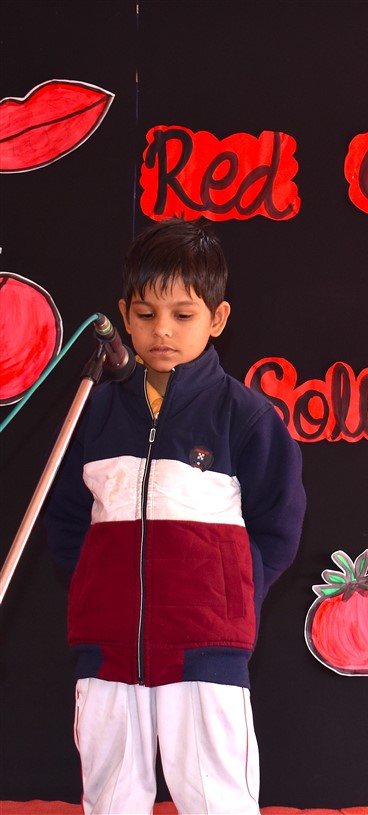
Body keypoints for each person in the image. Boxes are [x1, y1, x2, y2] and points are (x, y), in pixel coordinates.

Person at [44, 217, 306, 815]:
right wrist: (96, 584)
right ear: (123, 314)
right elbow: (65, 517)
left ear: (217, 318)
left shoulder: (245, 417)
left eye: (183, 314)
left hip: (206, 646)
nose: (161, 329)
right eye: (145, 313)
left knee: (217, 797)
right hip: (107, 646)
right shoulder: (92, 412)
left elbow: (278, 523)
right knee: (110, 797)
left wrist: (229, 594)